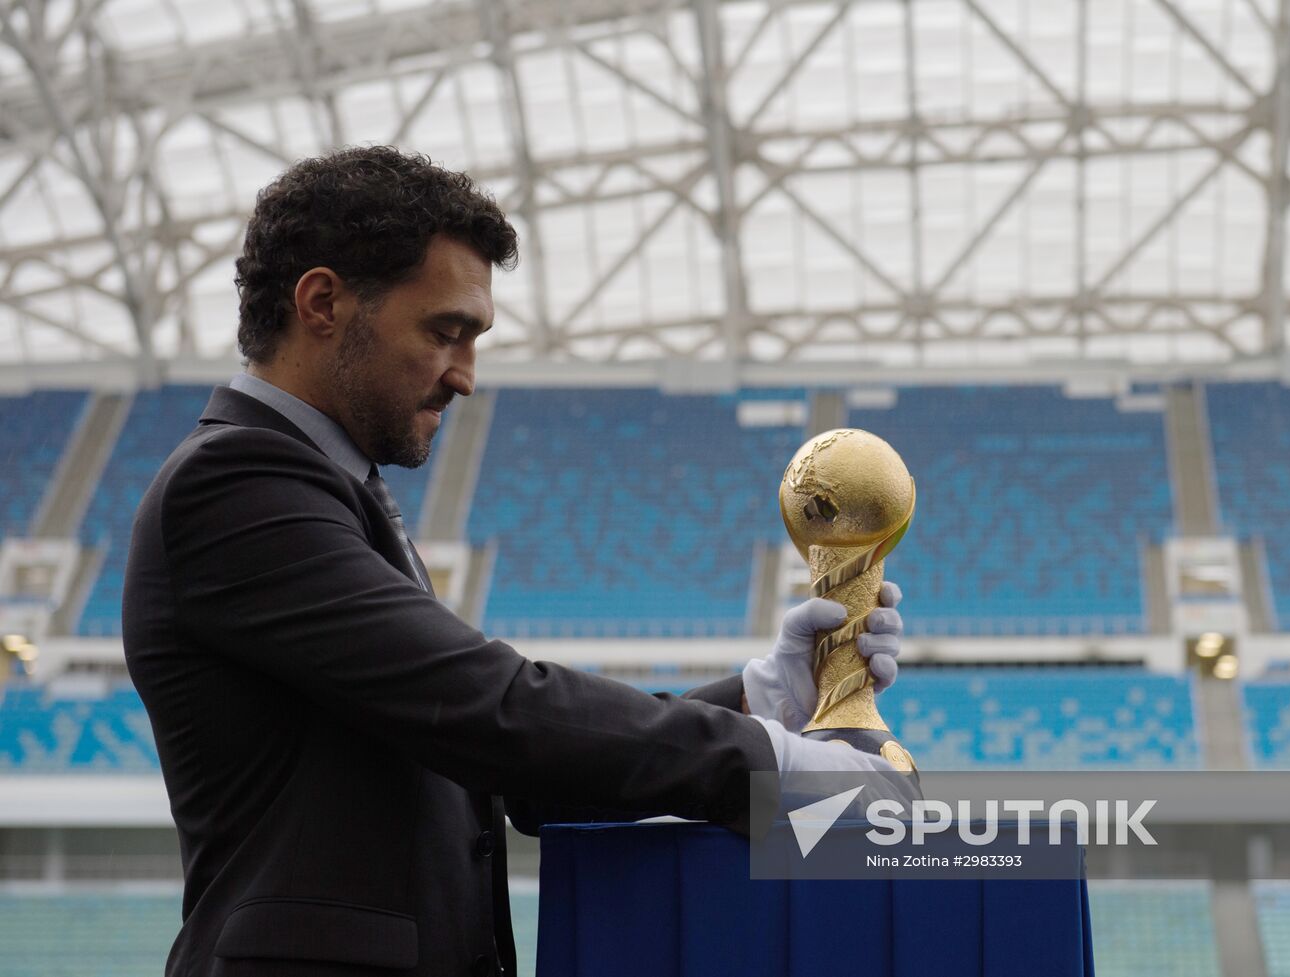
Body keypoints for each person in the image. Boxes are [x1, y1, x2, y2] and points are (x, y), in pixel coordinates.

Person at [122, 146, 905, 977]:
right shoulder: (236, 482)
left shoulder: (327, 490)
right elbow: (489, 707)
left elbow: (513, 773)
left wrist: (759, 699)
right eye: (444, 332)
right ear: (321, 302)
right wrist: (768, 763)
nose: (465, 377)